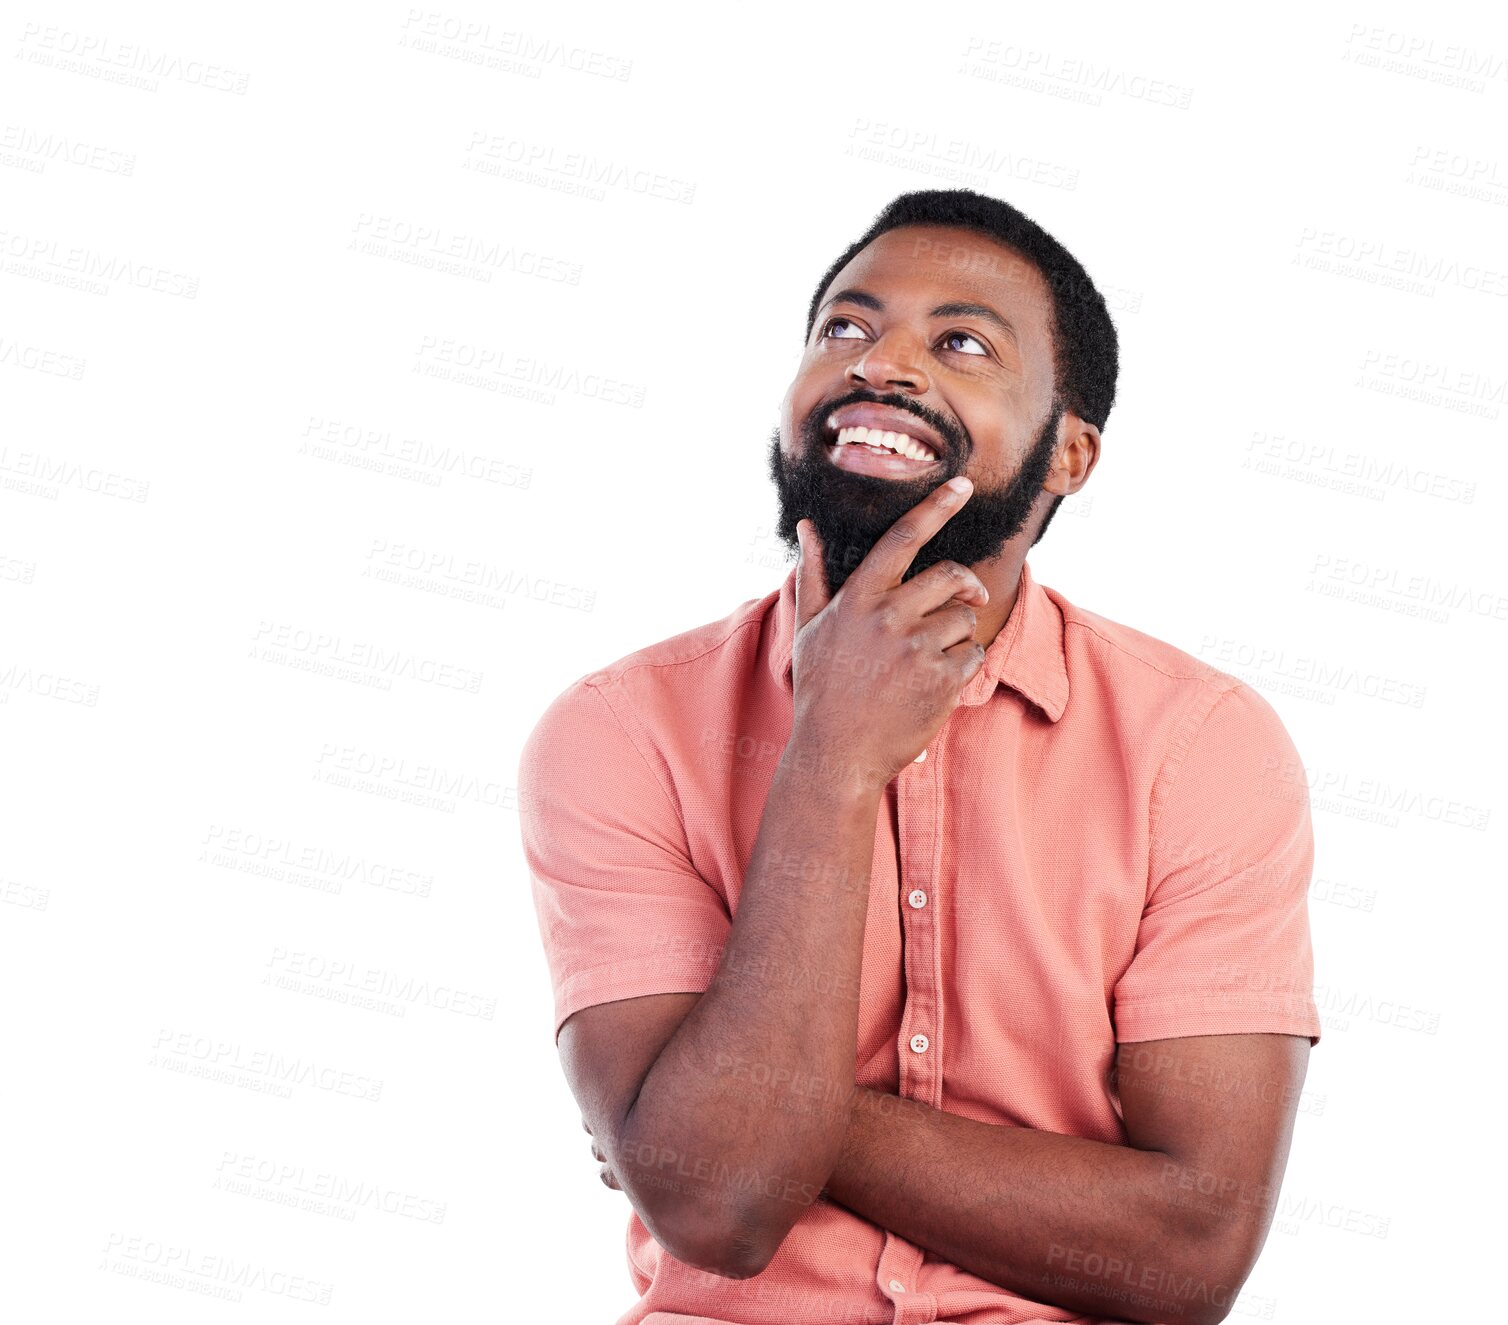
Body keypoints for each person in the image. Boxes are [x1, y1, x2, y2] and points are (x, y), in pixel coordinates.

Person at [518, 188, 1320, 1325]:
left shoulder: (1197, 747)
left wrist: (736, 1117)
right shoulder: (619, 731)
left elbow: (1189, 1251)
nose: (879, 365)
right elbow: (723, 1207)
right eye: (842, 328)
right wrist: (830, 760)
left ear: (1069, 454)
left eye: (960, 342)